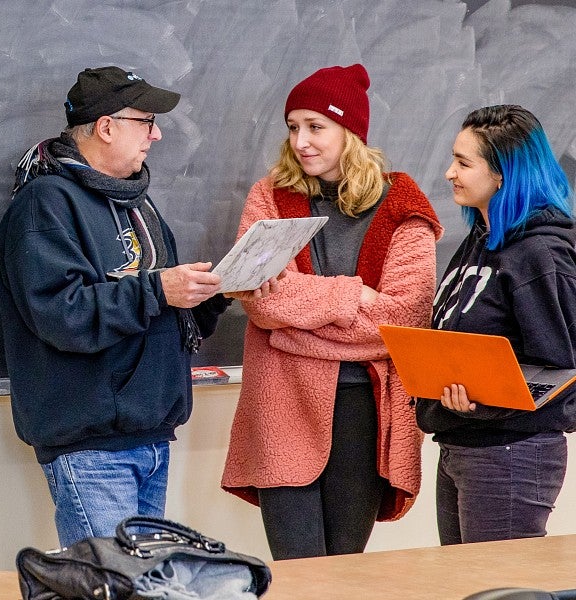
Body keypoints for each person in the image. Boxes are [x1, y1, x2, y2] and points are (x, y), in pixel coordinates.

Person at [0, 66, 277, 547]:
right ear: (106, 126)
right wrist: (159, 290)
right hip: (91, 447)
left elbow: (162, 314)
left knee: (144, 584)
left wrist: (217, 294)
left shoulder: (138, 205)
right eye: (146, 121)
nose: (157, 134)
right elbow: (64, 314)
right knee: (112, 584)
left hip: (148, 435)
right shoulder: (45, 206)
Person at [221, 64, 443, 559]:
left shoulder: (402, 205)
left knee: (345, 570)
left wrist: (294, 324)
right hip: (283, 404)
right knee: (299, 572)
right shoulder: (271, 196)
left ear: (352, 132)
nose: (301, 141)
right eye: (293, 127)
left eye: (316, 127)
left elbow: (404, 318)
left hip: (364, 406)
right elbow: (260, 300)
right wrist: (353, 295)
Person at [415, 105, 576, 545]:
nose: (449, 172)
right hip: (462, 445)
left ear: (503, 174)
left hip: (511, 453)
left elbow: (562, 369)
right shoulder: (480, 240)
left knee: (498, 589)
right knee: (466, 588)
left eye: (464, 163)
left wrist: (484, 401)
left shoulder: (541, 255)